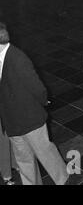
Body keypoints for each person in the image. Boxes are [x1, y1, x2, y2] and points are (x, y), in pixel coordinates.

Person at [0, 22, 70, 185]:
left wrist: (43, 101)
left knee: (45, 152)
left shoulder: (18, 58)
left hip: (30, 117)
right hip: (11, 121)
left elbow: (37, 87)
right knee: (23, 159)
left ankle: (64, 179)